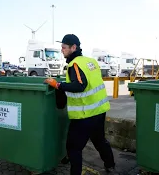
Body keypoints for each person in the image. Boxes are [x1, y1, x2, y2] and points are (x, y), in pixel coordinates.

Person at [44, 34, 116, 175]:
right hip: (99, 111)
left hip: (84, 115)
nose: (62, 50)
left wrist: (58, 85)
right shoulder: (91, 61)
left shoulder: (75, 64)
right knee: (99, 141)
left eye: (64, 47)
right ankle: (111, 166)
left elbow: (80, 86)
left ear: (73, 47)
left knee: (73, 148)